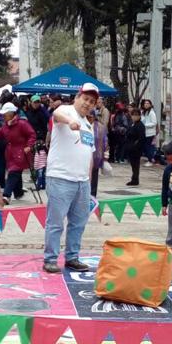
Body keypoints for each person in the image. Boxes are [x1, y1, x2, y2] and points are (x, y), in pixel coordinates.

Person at [42, 83, 100, 274]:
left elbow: (89, 155)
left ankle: (72, 257)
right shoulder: (65, 110)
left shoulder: (89, 125)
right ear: (77, 97)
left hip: (82, 182)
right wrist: (69, 122)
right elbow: (56, 116)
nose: (88, 103)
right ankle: (50, 259)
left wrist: (89, 181)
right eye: (85, 99)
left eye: (92, 102)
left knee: (78, 222)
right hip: (60, 177)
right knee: (56, 222)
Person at [0, 102, 36, 205]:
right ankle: (18, 192)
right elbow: (0, 135)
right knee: (16, 172)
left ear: (11, 113)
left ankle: (7, 195)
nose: (3, 116)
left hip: (21, 151)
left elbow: (32, 134)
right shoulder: (6, 125)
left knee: (13, 172)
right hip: (10, 152)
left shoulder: (22, 124)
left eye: (5, 114)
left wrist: (29, 145)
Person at [88, 110, 109, 196]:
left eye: (90, 116)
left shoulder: (100, 127)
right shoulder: (82, 125)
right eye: (87, 116)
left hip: (96, 155)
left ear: (94, 116)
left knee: (94, 176)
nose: (88, 118)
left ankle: (93, 195)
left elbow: (105, 141)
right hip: (84, 154)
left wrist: (106, 155)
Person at [124, 108, 145, 186]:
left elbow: (141, 138)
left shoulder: (140, 125)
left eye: (136, 115)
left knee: (136, 164)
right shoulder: (132, 124)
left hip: (136, 149)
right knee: (133, 165)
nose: (134, 117)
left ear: (139, 116)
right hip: (130, 147)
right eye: (133, 115)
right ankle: (134, 178)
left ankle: (135, 179)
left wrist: (135, 146)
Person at [140, 98, 158, 166]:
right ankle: (150, 159)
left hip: (150, 133)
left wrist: (145, 125)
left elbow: (154, 123)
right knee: (146, 147)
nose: (146, 105)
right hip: (145, 133)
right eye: (145, 103)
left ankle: (150, 160)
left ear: (150, 105)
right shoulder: (145, 112)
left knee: (149, 147)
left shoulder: (152, 112)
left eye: (148, 103)